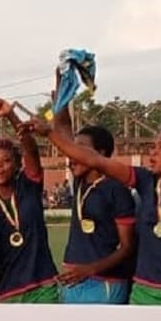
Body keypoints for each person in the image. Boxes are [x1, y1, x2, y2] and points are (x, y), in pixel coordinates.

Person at [34, 102, 161, 306]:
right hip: (143, 290)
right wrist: (49, 133)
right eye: (153, 147)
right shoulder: (146, 181)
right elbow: (96, 160)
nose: (153, 153)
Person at [0, 114, 60, 303]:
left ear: (18, 165)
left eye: (6, 161)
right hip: (9, 291)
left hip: (44, 286)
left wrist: (10, 115)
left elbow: (32, 152)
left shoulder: (28, 187)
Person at [56, 123, 135, 304]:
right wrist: (61, 102)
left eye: (81, 149)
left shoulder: (116, 189)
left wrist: (90, 269)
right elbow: (63, 134)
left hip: (105, 282)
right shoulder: (79, 181)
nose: (73, 154)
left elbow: (127, 247)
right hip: (72, 278)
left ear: (101, 153)